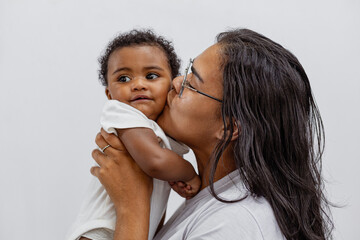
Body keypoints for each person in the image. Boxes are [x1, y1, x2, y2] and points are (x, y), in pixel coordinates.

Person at [91, 28, 334, 239]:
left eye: (191, 84)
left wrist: (132, 207)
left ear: (229, 128)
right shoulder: (215, 201)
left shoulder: (232, 224)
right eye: (185, 72)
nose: (175, 82)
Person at [67, 29, 201, 240]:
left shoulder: (161, 130)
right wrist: (188, 172)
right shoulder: (122, 113)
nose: (138, 84)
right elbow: (154, 161)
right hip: (99, 231)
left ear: (172, 84)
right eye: (124, 78)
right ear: (109, 94)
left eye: (151, 76)